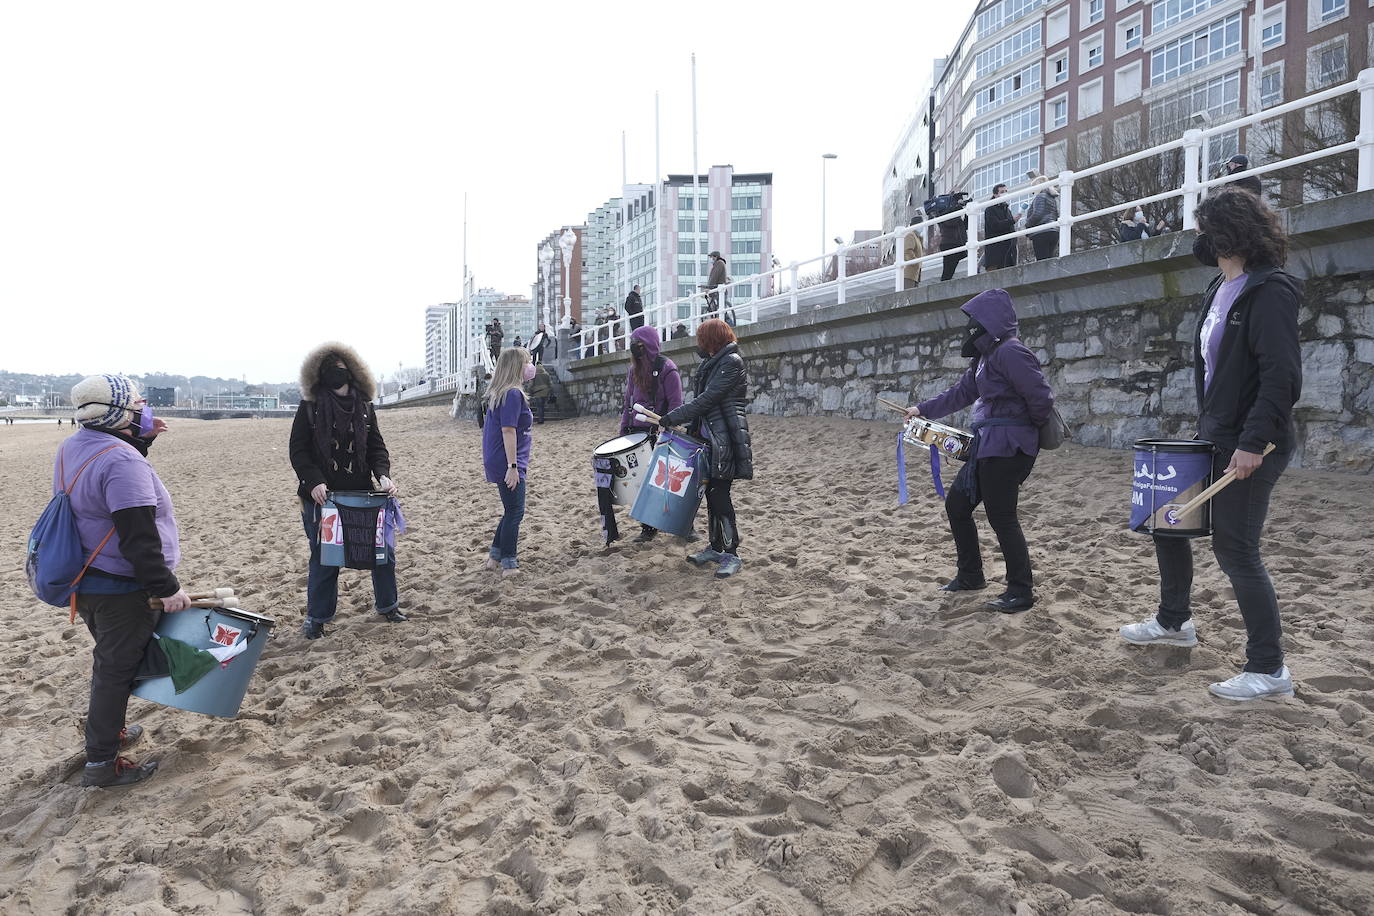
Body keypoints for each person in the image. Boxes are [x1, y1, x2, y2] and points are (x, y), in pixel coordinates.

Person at [1120, 186, 1302, 701]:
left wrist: (1251, 442)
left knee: (1237, 550)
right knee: (1169, 520)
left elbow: (1281, 377)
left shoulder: (1270, 291)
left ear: (1227, 234)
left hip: (1254, 444)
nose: (1195, 240)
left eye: (1202, 232)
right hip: (1216, 434)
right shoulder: (1218, 287)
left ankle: (1269, 669)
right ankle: (1174, 622)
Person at [60, 374, 189, 787]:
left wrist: (141, 441)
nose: (143, 406)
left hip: (88, 581)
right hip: (120, 587)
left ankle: (109, 734)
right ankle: (101, 763)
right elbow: (138, 536)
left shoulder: (75, 444)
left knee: (116, 662)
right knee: (115, 670)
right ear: (120, 412)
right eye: (138, 403)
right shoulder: (121, 460)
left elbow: (103, 482)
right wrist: (166, 588)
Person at [907, 289, 1054, 613]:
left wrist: (1022, 432)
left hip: (1008, 447)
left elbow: (1041, 398)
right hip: (987, 446)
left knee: (1002, 517)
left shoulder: (1011, 352)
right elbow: (961, 392)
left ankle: (1021, 590)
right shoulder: (985, 358)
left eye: (976, 320)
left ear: (990, 321)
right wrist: (923, 410)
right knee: (957, 505)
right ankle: (971, 574)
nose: (971, 326)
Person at [290, 343, 403, 639]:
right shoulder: (310, 408)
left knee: (381, 551)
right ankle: (317, 618)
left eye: (339, 368)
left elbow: (377, 447)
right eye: (328, 369)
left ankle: (388, 605)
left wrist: (384, 476)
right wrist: (313, 481)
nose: (334, 374)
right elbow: (298, 451)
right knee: (324, 557)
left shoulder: (365, 408)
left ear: (352, 372)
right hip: (322, 499)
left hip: (363, 496)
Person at [660, 319, 752, 578]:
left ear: (712, 340)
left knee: (720, 495)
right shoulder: (713, 364)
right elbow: (703, 404)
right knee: (711, 493)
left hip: (725, 439)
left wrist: (673, 417)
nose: (698, 344)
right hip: (710, 438)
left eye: (702, 339)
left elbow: (707, 400)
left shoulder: (731, 363)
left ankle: (731, 553)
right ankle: (715, 547)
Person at [619, 325, 684, 542]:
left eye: (637, 344)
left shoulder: (667, 368)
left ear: (647, 345)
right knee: (641, 481)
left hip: (660, 430)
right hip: (637, 432)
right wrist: (623, 432)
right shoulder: (633, 370)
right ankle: (648, 527)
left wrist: (668, 427)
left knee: (666, 481)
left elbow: (676, 403)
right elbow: (629, 402)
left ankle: (683, 523)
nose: (634, 349)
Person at [483, 347, 535, 575]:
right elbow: (508, 430)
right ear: (516, 366)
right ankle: (508, 563)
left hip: (498, 457)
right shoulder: (512, 393)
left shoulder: (501, 392)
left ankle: (494, 557)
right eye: (527, 362)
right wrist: (512, 467)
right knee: (515, 511)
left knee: (510, 509)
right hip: (507, 459)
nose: (530, 365)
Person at [984, 184, 1018, 270]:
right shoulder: (990, 209)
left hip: (1009, 251)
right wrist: (1012, 220)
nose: (1005, 193)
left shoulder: (1007, 209)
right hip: (996, 253)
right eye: (1002, 192)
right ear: (995, 195)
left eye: (1006, 191)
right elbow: (995, 225)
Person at [1025, 176, 1060, 261]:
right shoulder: (1052, 198)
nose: (1032, 192)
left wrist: (1027, 225)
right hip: (1053, 231)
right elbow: (1056, 214)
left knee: (1042, 261)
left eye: (1033, 188)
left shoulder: (1040, 196)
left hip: (1041, 232)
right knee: (1049, 260)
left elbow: (1037, 214)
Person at [938, 194, 969, 281]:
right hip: (949, 244)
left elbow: (965, 226)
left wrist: (967, 211)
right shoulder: (943, 212)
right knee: (948, 271)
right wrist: (959, 208)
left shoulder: (956, 215)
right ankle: (943, 287)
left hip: (957, 243)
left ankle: (944, 285)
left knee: (949, 271)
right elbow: (950, 223)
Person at [902, 217, 925, 289]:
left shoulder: (917, 237)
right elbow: (907, 251)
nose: (922, 227)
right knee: (908, 297)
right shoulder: (910, 235)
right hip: (909, 273)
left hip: (915, 274)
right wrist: (916, 262)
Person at [706, 251, 729, 318]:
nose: (711, 259)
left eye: (712, 257)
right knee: (721, 308)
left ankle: (728, 323)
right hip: (719, 288)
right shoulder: (720, 264)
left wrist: (709, 287)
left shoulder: (719, 263)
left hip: (718, 289)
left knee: (721, 308)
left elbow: (714, 277)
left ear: (715, 257)